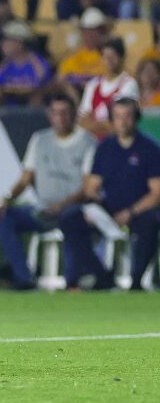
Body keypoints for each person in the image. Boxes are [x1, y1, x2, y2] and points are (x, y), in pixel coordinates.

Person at [0, 94, 94, 289]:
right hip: (42, 209)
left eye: (65, 113)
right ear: (49, 115)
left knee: (71, 218)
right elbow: (26, 178)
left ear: (74, 114)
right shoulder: (40, 140)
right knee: (4, 217)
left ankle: (71, 280)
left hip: (73, 209)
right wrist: (5, 200)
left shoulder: (87, 142)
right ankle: (24, 278)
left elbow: (88, 186)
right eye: (56, 113)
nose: (61, 118)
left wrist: (62, 205)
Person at [58, 98, 160, 290]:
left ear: (136, 118)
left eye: (127, 116)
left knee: (151, 221)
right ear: (112, 120)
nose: (123, 122)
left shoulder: (150, 149)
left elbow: (156, 193)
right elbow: (93, 186)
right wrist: (95, 205)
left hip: (138, 210)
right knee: (70, 218)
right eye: (118, 117)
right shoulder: (105, 148)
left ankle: (136, 280)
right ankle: (100, 274)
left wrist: (131, 212)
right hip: (109, 210)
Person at [78, 38, 139, 137]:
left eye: (113, 57)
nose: (109, 61)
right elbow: (81, 121)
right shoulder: (93, 84)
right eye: (106, 56)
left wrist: (92, 124)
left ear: (122, 58)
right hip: (93, 141)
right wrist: (105, 125)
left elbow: (122, 124)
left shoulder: (129, 84)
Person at [0, 21, 50, 106]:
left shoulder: (37, 63)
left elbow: (38, 86)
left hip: (31, 109)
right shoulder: (5, 64)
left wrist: (13, 89)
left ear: (20, 43)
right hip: (7, 108)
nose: (2, 44)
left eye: (6, 40)